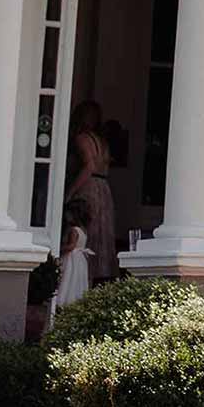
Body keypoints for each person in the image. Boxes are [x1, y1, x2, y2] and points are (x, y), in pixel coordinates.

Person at [67, 100, 119, 283]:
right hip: (104, 187)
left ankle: (83, 277)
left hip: (90, 187)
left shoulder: (82, 138)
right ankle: (101, 276)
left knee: (86, 233)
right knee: (102, 234)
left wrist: (71, 192)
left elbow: (89, 166)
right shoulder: (102, 141)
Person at [50, 198, 92, 310]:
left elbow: (71, 246)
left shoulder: (74, 230)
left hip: (72, 258)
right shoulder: (83, 229)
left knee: (68, 278)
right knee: (77, 279)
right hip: (80, 259)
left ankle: (64, 300)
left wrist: (59, 249)